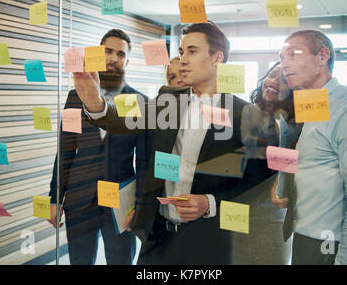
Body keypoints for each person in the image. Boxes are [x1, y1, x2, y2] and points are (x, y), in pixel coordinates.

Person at [72, 22, 267, 264]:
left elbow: (258, 181)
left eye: (192, 51)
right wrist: (94, 101)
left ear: (217, 58)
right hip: (157, 236)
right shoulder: (168, 100)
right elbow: (121, 122)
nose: (183, 59)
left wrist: (210, 203)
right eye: (182, 51)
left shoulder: (246, 115)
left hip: (206, 239)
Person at [271, 30, 347, 265]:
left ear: (322, 56)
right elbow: (310, 162)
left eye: (293, 55)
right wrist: (282, 183)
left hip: (330, 241)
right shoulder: (305, 107)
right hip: (303, 234)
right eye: (282, 57)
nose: (284, 64)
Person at [47, 29, 152, 265]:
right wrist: (55, 197)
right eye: (108, 51)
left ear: (127, 60)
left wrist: (141, 205)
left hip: (120, 202)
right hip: (79, 197)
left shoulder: (140, 102)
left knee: (121, 260)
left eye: (121, 54)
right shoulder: (76, 97)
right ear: (97, 54)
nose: (114, 58)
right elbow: (64, 151)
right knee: (80, 261)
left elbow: (144, 161)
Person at [233, 62, 301, 264]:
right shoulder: (241, 114)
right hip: (234, 212)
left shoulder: (292, 124)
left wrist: (282, 176)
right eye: (271, 75)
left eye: (283, 80)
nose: (273, 82)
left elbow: (298, 163)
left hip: (269, 216)